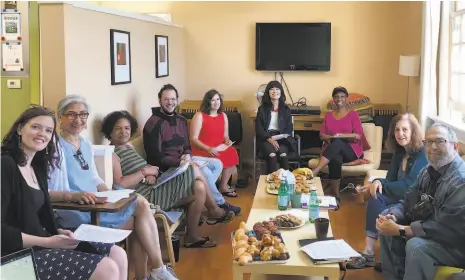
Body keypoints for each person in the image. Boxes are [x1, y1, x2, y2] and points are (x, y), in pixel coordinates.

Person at [47, 95, 178, 280]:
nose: (78, 119)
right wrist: (75, 196)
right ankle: (156, 272)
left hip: (96, 203)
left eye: (83, 114)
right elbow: (47, 191)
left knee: (139, 205)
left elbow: (93, 176)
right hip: (77, 209)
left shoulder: (84, 143)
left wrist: (109, 192)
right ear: (60, 117)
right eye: (71, 114)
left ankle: (155, 271)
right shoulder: (54, 147)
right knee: (138, 219)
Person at [1, 105, 127, 280]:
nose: (42, 134)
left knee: (117, 254)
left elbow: (39, 217)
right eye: (35, 127)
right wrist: (47, 241)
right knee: (107, 268)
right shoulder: (5, 165)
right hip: (16, 256)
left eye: (48, 130)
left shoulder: (37, 167)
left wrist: (57, 231)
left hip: (44, 242)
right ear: (20, 129)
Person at [101, 110, 235, 248]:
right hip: (146, 198)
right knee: (192, 168)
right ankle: (213, 209)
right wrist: (145, 172)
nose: (124, 132)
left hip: (154, 187)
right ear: (109, 132)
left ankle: (192, 237)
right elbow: (120, 183)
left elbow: (145, 168)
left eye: (127, 128)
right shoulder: (111, 153)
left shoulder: (128, 147)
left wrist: (151, 175)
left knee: (199, 188)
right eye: (118, 128)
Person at [377, 123, 465, 280]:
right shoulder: (427, 171)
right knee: (386, 219)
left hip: (456, 244)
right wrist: (394, 216)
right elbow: (408, 201)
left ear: (455, 146)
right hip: (432, 231)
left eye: (439, 141)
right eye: (428, 142)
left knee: (416, 246)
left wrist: (401, 230)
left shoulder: (461, 180)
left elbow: (446, 229)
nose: (433, 147)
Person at [143, 84, 241, 215]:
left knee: (217, 163)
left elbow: (187, 145)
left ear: (177, 100)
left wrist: (187, 155)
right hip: (167, 168)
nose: (170, 102)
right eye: (166, 99)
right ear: (160, 99)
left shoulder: (180, 120)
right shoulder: (153, 123)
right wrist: (180, 162)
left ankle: (209, 192)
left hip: (184, 161)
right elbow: (154, 156)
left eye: (173, 99)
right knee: (202, 171)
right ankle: (218, 205)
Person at [347, 113, 428, 269]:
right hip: (399, 197)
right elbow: (390, 180)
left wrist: (378, 184)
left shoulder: (421, 154)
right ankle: (368, 253)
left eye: (405, 129)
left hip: (414, 201)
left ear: (414, 132)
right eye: (397, 130)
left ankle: (385, 259)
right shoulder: (399, 153)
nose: (400, 134)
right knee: (375, 196)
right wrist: (375, 182)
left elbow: (409, 185)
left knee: (377, 195)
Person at [311, 86, 364, 198]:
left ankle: (316, 171)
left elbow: (358, 136)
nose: (339, 99)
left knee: (338, 142)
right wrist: (329, 138)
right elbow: (321, 135)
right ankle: (336, 196)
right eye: (336, 97)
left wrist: (341, 136)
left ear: (346, 98)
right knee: (335, 158)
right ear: (333, 99)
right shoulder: (329, 115)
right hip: (333, 150)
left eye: (342, 96)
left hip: (351, 151)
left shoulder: (353, 114)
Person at [190, 89, 240, 197]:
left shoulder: (223, 115)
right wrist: (208, 149)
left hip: (219, 148)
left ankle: (223, 186)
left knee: (232, 152)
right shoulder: (199, 115)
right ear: (207, 102)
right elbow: (193, 139)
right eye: (213, 100)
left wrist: (227, 141)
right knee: (218, 159)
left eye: (218, 99)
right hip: (202, 149)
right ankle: (209, 190)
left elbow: (225, 136)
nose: (216, 102)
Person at [255, 80, 296, 174]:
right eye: (272, 89)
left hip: (282, 139)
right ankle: (271, 182)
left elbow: (289, 128)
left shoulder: (286, 109)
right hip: (266, 138)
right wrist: (270, 139)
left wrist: (282, 136)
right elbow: (259, 129)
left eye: (277, 89)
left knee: (283, 155)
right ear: (268, 92)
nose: (275, 91)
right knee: (272, 155)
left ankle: (286, 181)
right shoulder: (262, 109)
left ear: (281, 92)